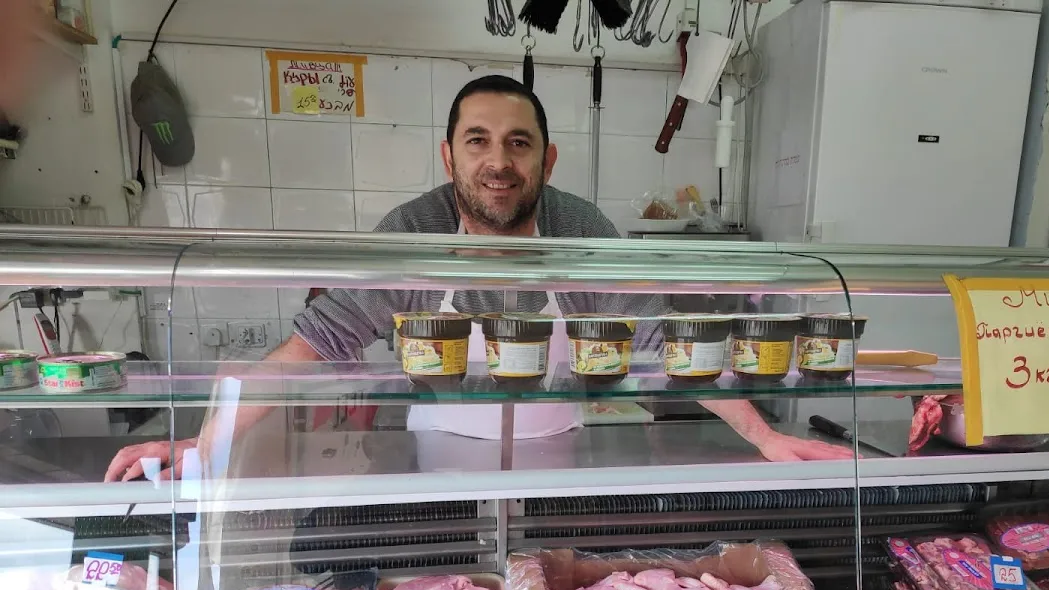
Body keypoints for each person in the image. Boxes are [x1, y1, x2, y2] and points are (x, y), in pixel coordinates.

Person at [105, 75, 850, 482]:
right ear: (449, 156)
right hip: (433, 458)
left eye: (519, 143)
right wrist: (199, 444)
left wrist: (764, 436)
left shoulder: (580, 230)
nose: (499, 161)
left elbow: (665, 344)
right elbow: (312, 346)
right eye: (479, 141)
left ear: (546, 159)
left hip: (563, 458)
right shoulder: (412, 232)